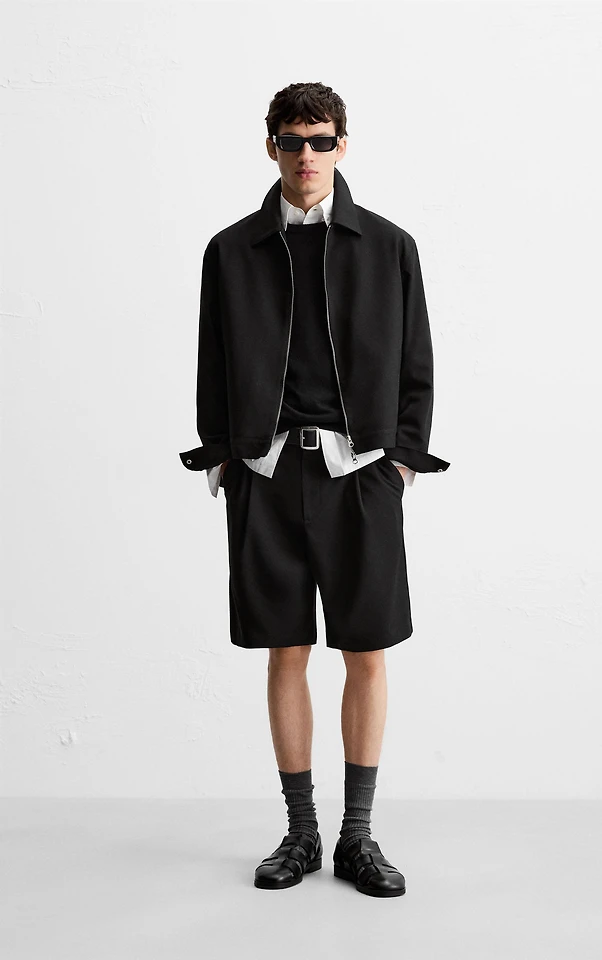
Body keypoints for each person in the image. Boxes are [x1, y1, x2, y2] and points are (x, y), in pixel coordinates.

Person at [179, 82, 450, 897]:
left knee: (366, 650)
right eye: (293, 141)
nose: (307, 155)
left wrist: (400, 464)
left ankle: (356, 836)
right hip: (266, 477)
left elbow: (417, 366)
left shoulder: (390, 246)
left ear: (342, 145)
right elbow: (212, 365)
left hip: (361, 476)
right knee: (285, 649)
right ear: (271, 147)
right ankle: (300, 832)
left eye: (321, 140)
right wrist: (228, 464)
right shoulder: (231, 251)